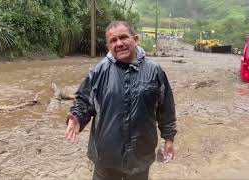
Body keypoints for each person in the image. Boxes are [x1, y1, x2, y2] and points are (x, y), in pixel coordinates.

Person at [65, 21, 177, 180]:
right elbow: (84, 101)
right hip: (106, 157)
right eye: (113, 40)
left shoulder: (155, 71)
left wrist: (169, 138)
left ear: (136, 39)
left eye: (123, 37)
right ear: (108, 46)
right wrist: (76, 117)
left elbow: (166, 108)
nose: (119, 44)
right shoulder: (99, 71)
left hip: (141, 155)